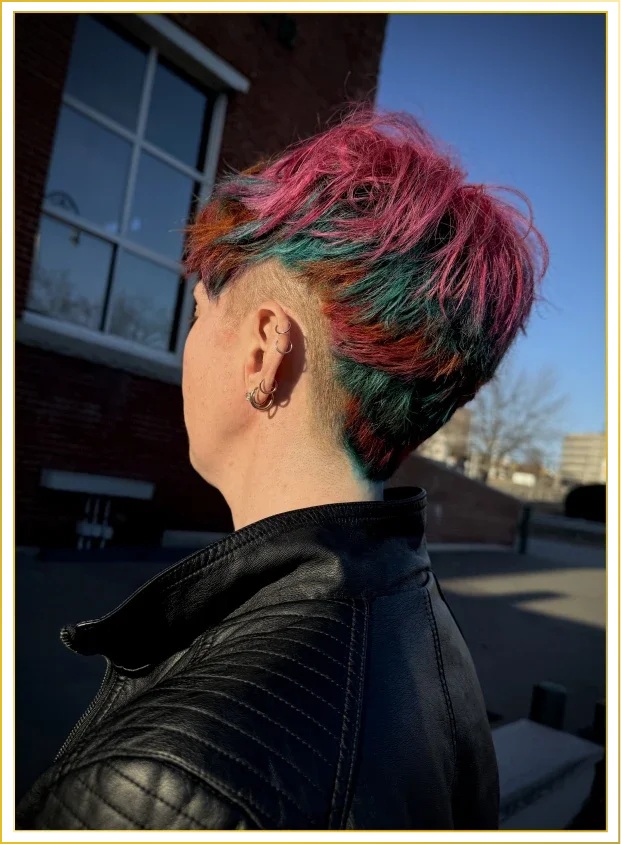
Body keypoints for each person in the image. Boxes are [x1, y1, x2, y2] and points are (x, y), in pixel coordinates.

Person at [17, 109, 546, 831]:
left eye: (201, 314)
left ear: (266, 349)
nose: (188, 347)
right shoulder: (420, 620)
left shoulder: (161, 782)